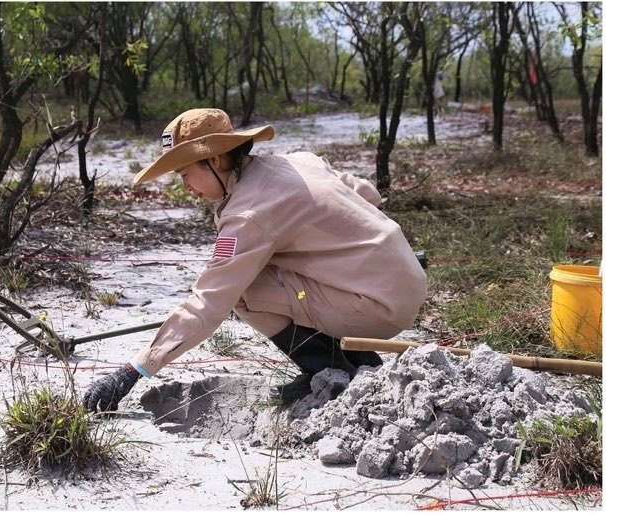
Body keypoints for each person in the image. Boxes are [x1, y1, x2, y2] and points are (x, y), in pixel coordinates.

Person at [83, 108, 427, 412]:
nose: (186, 186)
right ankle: (355, 358)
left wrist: (136, 369)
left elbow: (210, 301)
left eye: (185, 173)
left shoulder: (248, 214)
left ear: (215, 160)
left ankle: (330, 370)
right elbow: (369, 194)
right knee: (262, 271)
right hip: (404, 279)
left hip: (376, 307)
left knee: (245, 292)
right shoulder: (300, 160)